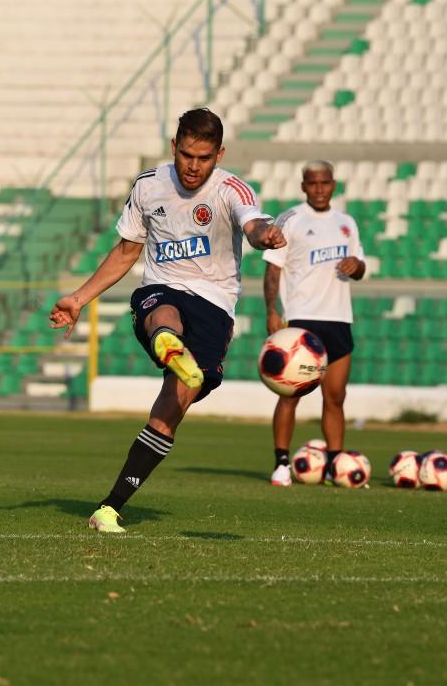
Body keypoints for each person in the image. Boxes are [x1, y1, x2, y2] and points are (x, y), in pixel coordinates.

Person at [49, 108, 286, 533]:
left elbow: (253, 223)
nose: (194, 166)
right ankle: (166, 341)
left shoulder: (231, 189)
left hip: (214, 305)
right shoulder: (149, 186)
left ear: (220, 154)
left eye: (205, 157)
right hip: (161, 290)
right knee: (165, 311)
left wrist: (263, 234)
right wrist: (79, 298)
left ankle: (109, 508)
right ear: (174, 147)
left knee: (172, 407)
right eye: (187, 155)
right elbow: (126, 252)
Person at [262, 160, 366, 486]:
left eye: (325, 183)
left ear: (334, 184)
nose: (319, 189)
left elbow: (361, 269)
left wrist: (356, 265)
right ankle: (281, 463)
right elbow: (273, 269)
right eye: (312, 183)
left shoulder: (346, 222)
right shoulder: (290, 219)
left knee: (335, 396)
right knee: (290, 394)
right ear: (303, 186)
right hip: (303, 320)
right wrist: (271, 311)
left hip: (338, 318)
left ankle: (335, 464)